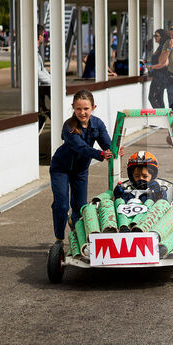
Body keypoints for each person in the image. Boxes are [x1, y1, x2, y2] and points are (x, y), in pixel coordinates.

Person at [49, 90, 121, 243]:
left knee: (80, 207)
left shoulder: (98, 124)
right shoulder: (68, 126)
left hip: (80, 170)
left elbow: (107, 144)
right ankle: (59, 239)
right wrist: (100, 155)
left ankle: (78, 236)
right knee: (62, 205)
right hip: (60, 168)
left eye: (86, 108)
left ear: (93, 107)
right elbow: (79, 147)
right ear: (73, 108)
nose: (82, 112)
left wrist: (115, 150)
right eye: (78, 109)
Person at [36, 24, 51, 128]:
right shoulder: (33, 53)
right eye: (43, 35)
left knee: (44, 111)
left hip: (40, 90)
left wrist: (51, 79)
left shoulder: (36, 53)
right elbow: (37, 73)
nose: (44, 37)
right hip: (36, 91)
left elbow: (43, 70)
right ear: (39, 36)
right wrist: (52, 82)